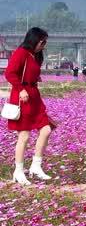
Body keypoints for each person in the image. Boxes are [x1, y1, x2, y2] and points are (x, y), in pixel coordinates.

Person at [6, 27, 54, 184]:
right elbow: (10, 73)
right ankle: (18, 171)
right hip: (22, 97)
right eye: (42, 42)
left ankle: (36, 166)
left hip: (34, 96)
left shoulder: (36, 55)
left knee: (46, 129)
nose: (44, 45)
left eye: (45, 42)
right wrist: (21, 89)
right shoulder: (21, 53)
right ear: (34, 40)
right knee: (24, 136)